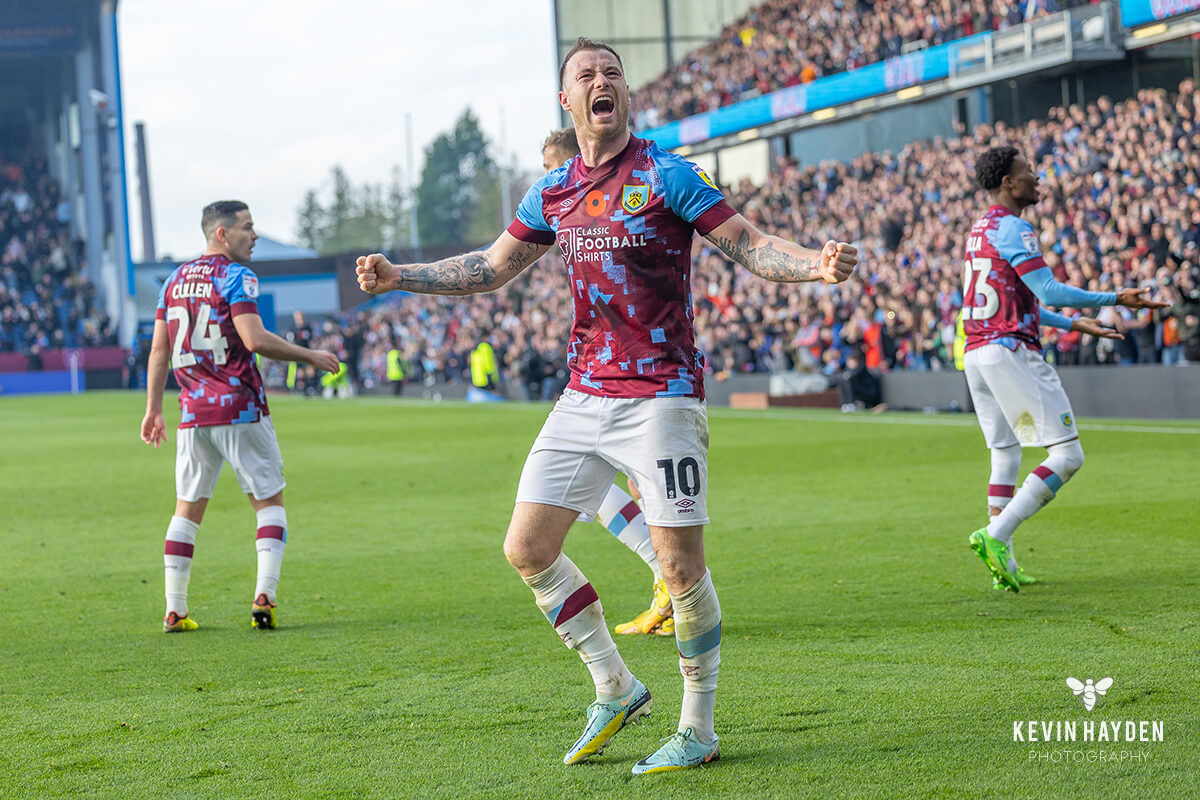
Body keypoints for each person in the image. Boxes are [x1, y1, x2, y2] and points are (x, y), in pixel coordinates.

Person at [355, 38, 856, 774]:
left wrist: (814, 264)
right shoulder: (552, 189)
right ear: (567, 100)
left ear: (625, 94)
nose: (602, 82)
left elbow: (746, 244)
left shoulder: (668, 173)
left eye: (612, 73)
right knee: (527, 548)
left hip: (662, 396)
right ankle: (615, 686)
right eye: (586, 75)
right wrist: (402, 275)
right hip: (585, 394)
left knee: (681, 570)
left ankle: (699, 727)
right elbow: (491, 268)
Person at [962, 147, 1167, 591]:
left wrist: (1075, 324)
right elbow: (1047, 290)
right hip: (1009, 350)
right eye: (1026, 172)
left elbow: (1021, 301)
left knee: (1005, 453)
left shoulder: (980, 230)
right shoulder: (1016, 227)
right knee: (1068, 455)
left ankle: (1005, 565)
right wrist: (1115, 298)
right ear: (1006, 184)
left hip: (976, 352)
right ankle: (995, 535)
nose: (1035, 177)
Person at [140, 200, 338, 633]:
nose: (255, 235)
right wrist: (310, 356)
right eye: (248, 227)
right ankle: (263, 598)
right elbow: (253, 338)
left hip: (192, 413)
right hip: (240, 407)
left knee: (186, 510)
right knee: (268, 503)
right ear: (222, 235)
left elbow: (157, 351)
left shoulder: (172, 281)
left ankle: (175, 609)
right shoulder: (235, 276)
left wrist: (154, 408)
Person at [543, 126, 672, 638]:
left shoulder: (624, 196)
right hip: (598, 370)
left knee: (643, 491)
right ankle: (668, 583)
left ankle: (671, 584)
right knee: (604, 490)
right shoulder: (566, 208)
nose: (552, 179)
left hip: (640, 372)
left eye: (556, 167)